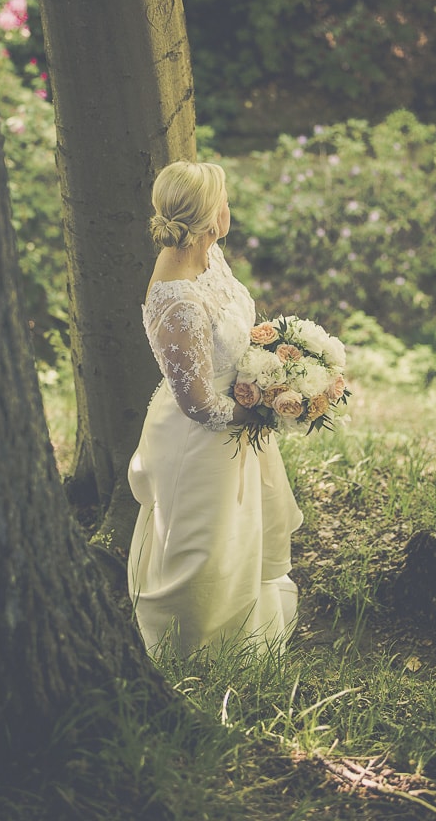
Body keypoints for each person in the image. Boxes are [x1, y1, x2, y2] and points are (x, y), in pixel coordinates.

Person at [127, 161, 303, 658]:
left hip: (238, 420)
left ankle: (244, 638)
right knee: (201, 547)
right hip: (197, 440)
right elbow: (200, 405)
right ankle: (187, 651)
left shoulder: (210, 256)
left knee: (238, 541)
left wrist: (274, 369)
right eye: (223, 199)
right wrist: (269, 408)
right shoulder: (177, 298)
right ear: (210, 217)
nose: (229, 208)